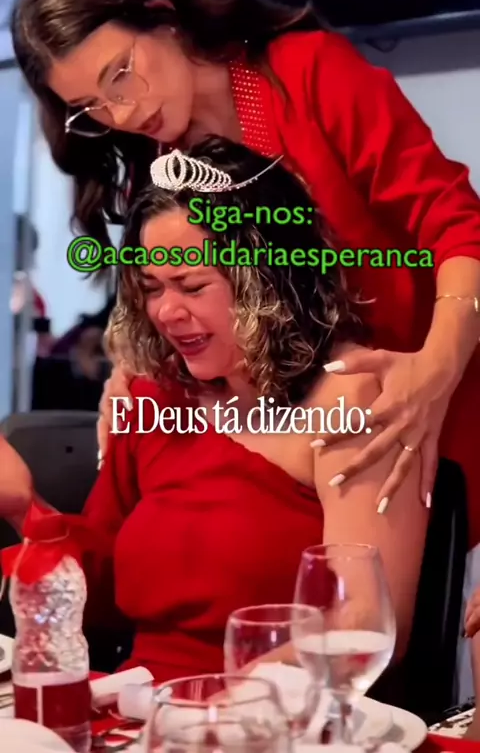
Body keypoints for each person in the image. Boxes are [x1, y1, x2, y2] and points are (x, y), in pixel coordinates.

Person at [11, 0, 480, 517]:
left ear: (163, 15)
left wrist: (435, 367)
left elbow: (458, 224)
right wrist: (132, 370)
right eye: (91, 106)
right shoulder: (156, 166)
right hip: (292, 445)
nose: (123, 114)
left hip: (417, 396)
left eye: (122, 75)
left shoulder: (306, 75)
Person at [3, 138, 428, 689]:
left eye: (192, 285)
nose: (166, 311)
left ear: (270, 280)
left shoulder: (350, 397)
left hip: (273, 713)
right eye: (151, 288)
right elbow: (98, 597)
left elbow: (364, 626)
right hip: (141, 707)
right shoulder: (154, 396)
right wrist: (27, 510)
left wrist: (218, 706)